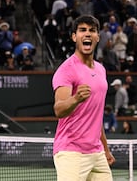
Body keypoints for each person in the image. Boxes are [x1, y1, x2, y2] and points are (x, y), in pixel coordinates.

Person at [51, 15, 115, 181]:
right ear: (74, 37)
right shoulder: (66, 70)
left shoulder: (101, 70)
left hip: (97, 152)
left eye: (92, 30)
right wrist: (76, 99)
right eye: (82, 30)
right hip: (71, 152)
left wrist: (105, 149)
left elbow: (95, 115)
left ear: (97, 37)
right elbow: (58, 110)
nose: (87, 34)